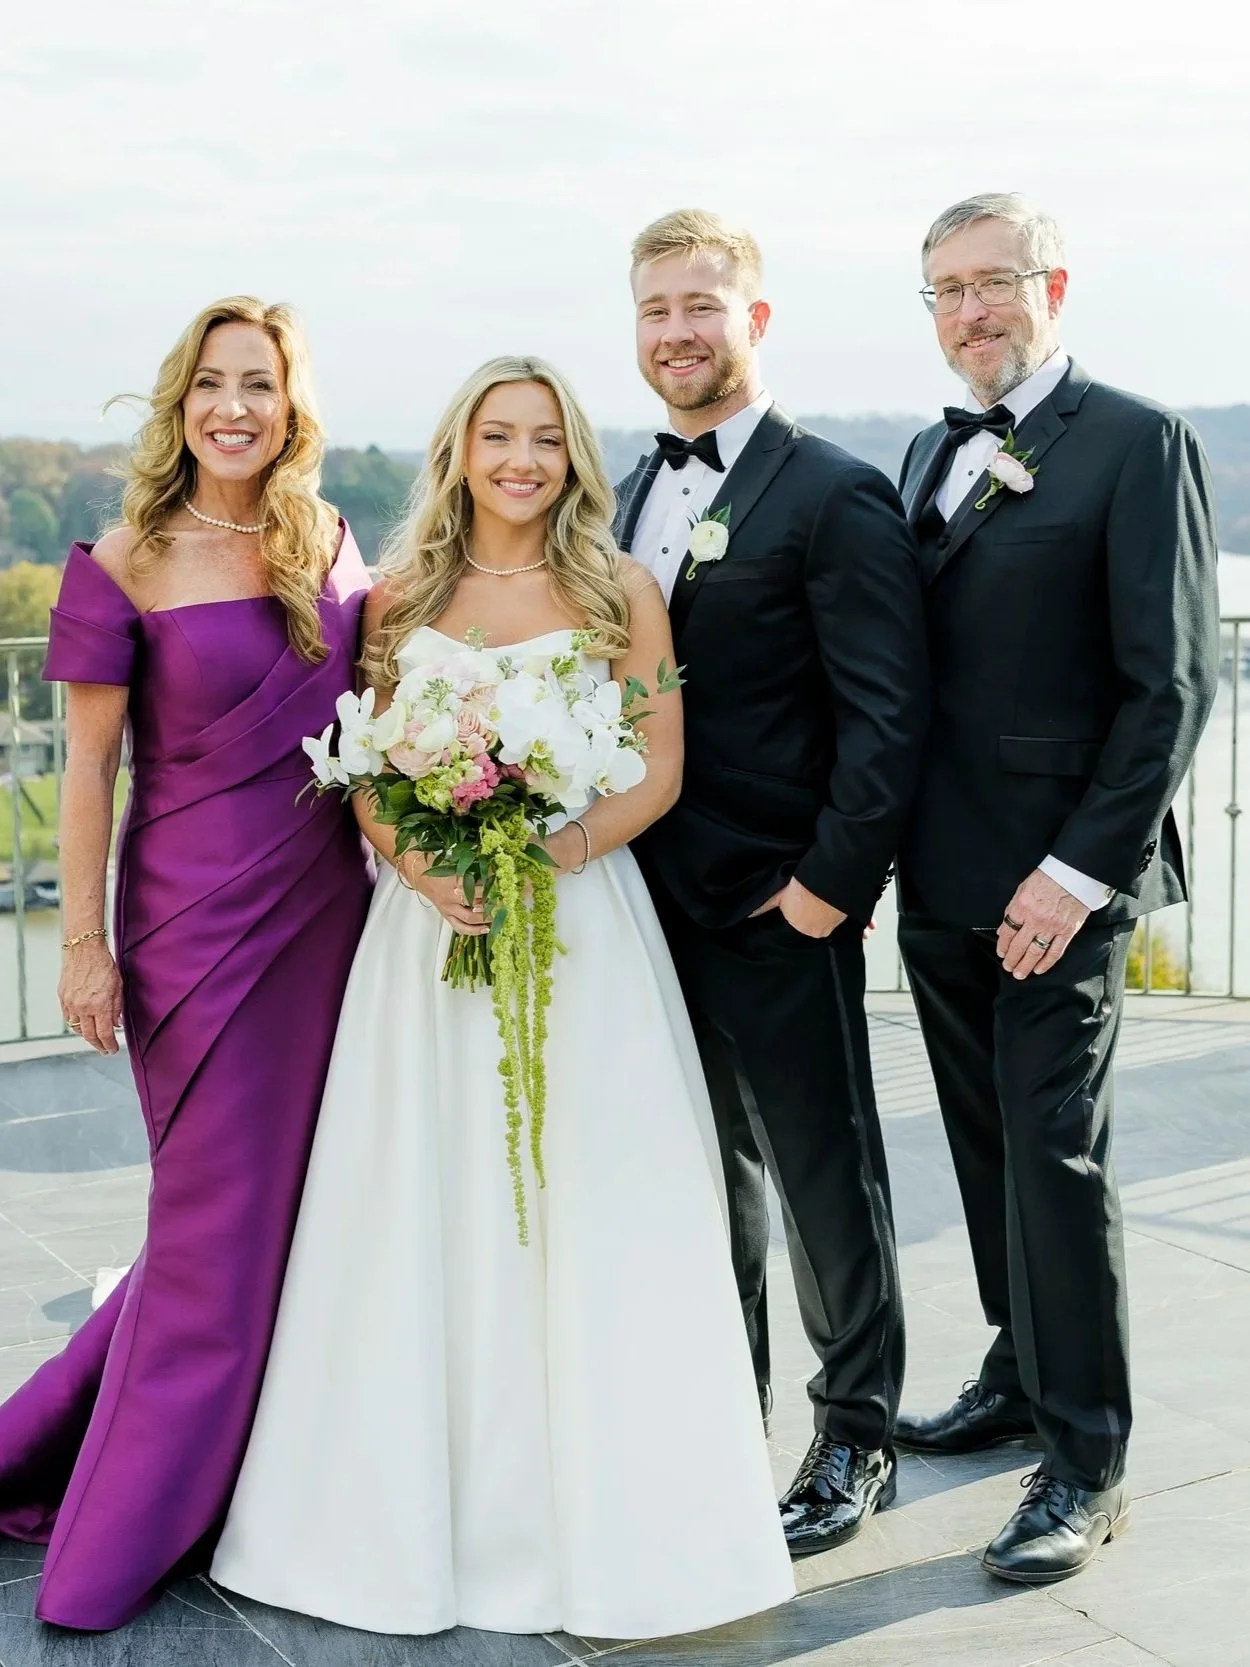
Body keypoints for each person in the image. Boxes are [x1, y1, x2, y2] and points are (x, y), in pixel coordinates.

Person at [210, 356, 795, 1639]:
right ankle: (398, 1516)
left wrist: (555, 852)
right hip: (425, 948)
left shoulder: (619, 589)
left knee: (585, 1203)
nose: (520, 459)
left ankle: (614, 1521)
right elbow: (365, 766)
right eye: (497, 436)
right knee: (422, 1202)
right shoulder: (405, 592)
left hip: (579, 931)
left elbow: (654, 766)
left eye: (543, 438)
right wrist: (425, 864)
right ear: (460, 450)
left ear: (572, 457)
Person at [0, 298, 373, 1630]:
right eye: (212, 383)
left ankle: (88, 1450)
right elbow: (91, 769)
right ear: (181, 403)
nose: (234, 406)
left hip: (332, 918)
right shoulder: (123, 559)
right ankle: (121, 1534)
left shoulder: (327, 538)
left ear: (290, 404)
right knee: (218, 1227)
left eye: (258, 384)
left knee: (275, 1218)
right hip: (192, 930)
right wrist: (83, 946)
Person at [893, 193, 1221, 1584]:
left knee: (1052, 1150)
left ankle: (1083, 1456)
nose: (971, 311)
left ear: (1052, 284)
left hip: (1060, 883)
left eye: (992, 282)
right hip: (938, 871)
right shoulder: (924, 448)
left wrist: (1077, 872)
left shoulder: (1137, 440)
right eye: (944, 291)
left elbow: (1171, 681)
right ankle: (1017, 1367)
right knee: (980, 1146)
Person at [614, 210, 929, 1556]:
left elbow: (887, 718)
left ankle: (855, 1432)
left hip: (773, 905)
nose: (676, 331)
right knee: (700, 1179)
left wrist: (824, 891)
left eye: (700, 304)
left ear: (755, 317)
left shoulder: (832, 490)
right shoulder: (626, 487)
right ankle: (714, 1420)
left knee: (822, 1174)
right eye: (653, 309)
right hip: (644, 907)